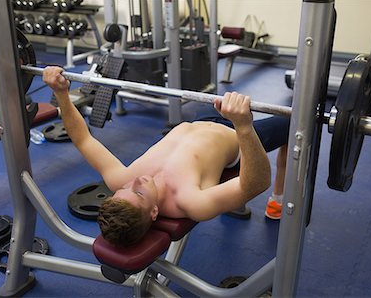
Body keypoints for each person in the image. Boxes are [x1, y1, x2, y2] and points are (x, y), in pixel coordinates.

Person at [43, 66, 288, 247]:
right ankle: (278, 200)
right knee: (293, 124)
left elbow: (83, 140)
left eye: (125, 188)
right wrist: (244, 127)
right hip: (234, 135)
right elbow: (254, 184)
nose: (137, 180)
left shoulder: (121, 179)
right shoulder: (190, 202)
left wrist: (61, 94)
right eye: (139, 192)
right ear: (153, 213)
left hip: (200, 120)